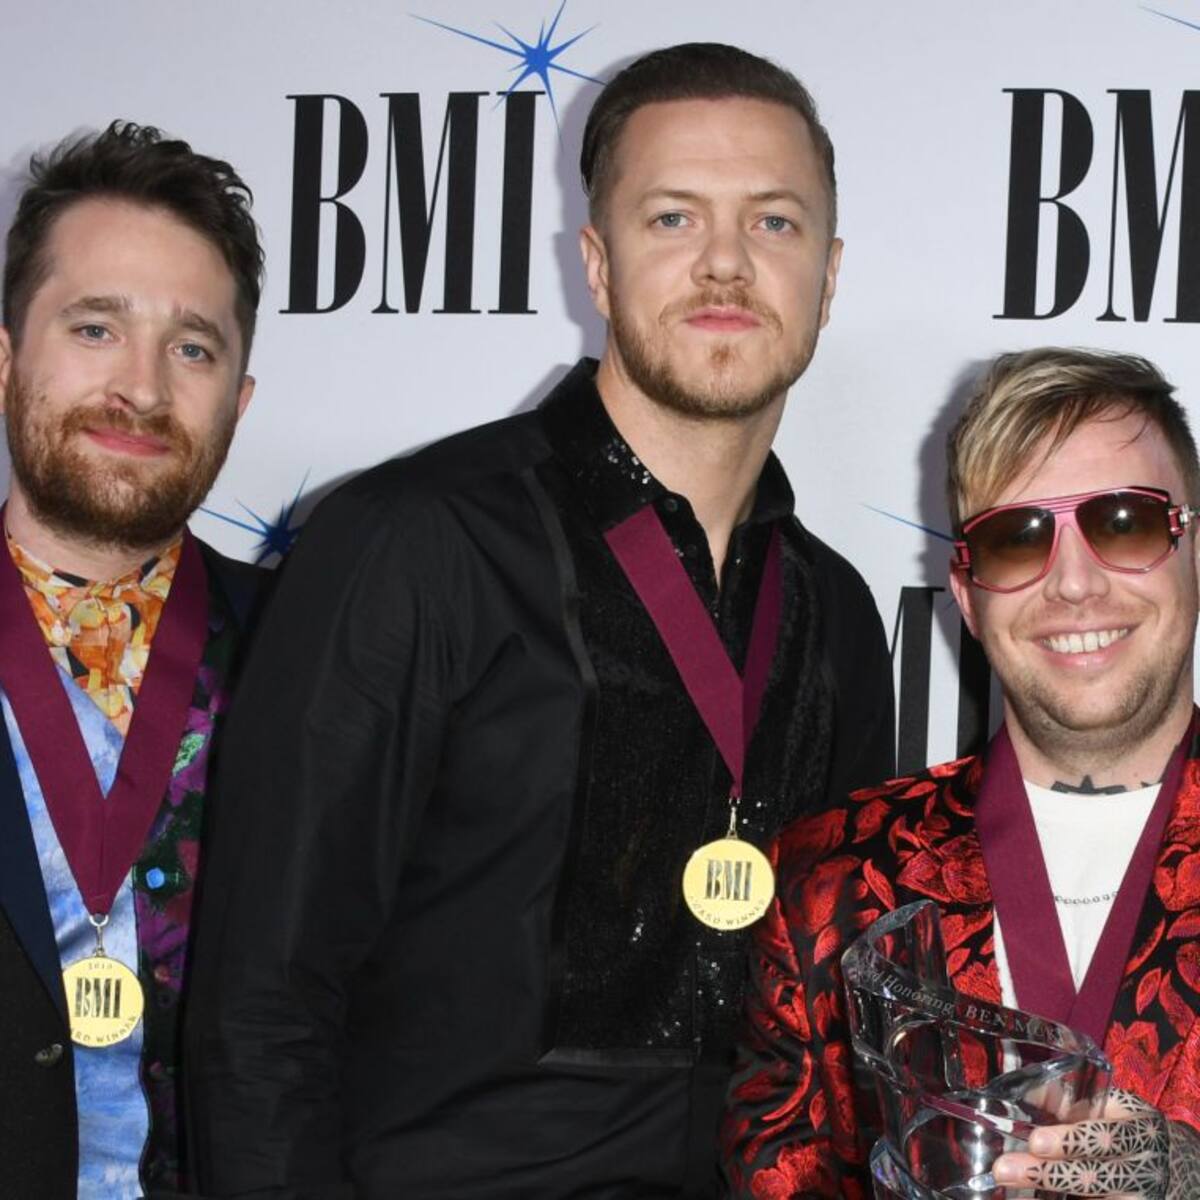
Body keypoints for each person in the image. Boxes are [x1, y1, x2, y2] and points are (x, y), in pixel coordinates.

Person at [186, 43, 894, 1198]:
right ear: (599, 265)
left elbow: (841, 1040)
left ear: (829, 272)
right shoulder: (413, 544)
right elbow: (262, 1009)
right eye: (673, 218)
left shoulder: (839, 616)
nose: (726, 261)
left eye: (774, 222)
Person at [723, 347, 1200, 1198]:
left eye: (1123, 522)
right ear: (969, 595)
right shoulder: (826, 886)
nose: (1075, 583)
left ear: (1191, 547)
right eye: (1016, 541)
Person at [0, 121, 267, 1199]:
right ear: (6, 360)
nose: (142, 387)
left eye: (193, 348)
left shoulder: (324, 652)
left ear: (240, 403)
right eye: (96, 328)